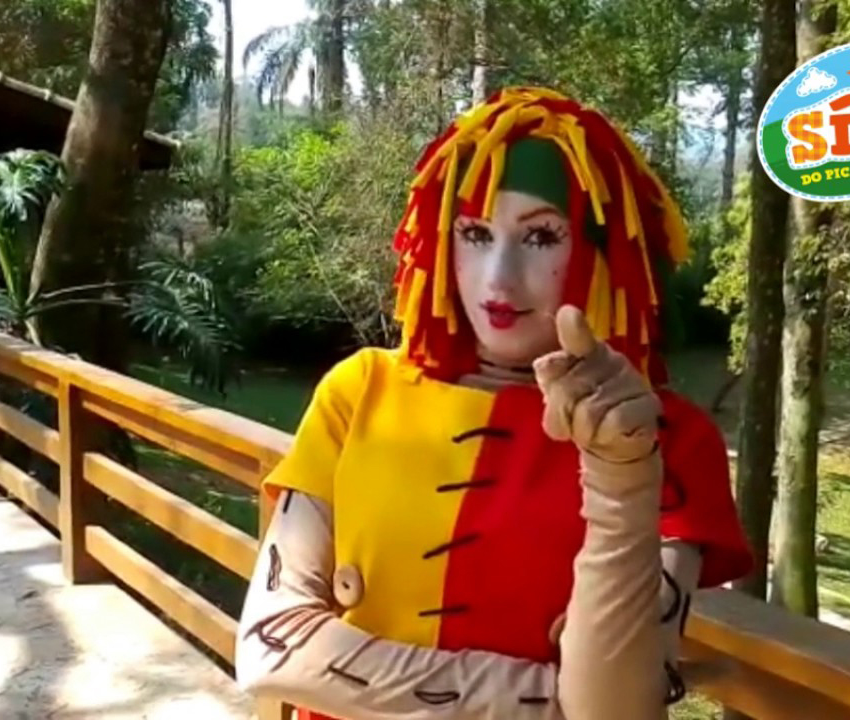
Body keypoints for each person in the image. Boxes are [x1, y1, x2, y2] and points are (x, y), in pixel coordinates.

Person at [235, 86, 753, 720]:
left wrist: (622, 476)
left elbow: (614, 714)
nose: (498, 278)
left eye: (540, 237)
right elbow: (270, 650)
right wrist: (542, 701)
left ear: (608, 253)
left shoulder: (668, 440)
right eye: (475, 233)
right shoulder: (358, 391)